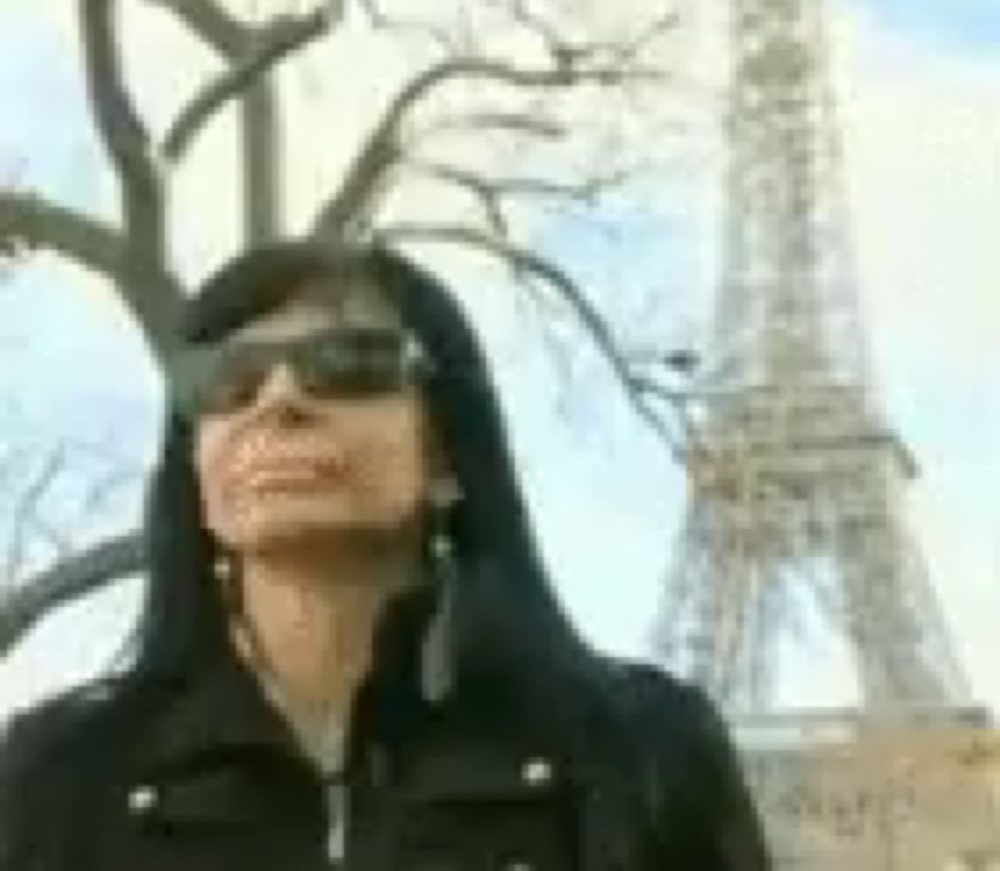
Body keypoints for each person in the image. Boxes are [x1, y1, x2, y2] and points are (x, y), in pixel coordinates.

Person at [0, 240, 770, 870]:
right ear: (196, 471)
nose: (278, 401)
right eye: (229, 381)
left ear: (447, 455)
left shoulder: (638, 754)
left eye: (349, 363)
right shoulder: (60, 776)